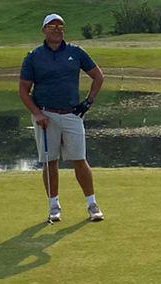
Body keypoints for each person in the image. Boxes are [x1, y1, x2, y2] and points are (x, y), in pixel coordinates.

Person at [18, 13, 105, 224]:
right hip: (45, 115)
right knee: (50, 162)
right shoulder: (34, 56)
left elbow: (98, 77)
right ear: (44, 30)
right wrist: (37, 113)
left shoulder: (76, 52)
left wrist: (88, 102)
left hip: (72, 114)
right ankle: (54, 207)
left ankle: (92, 205)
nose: (56, 29)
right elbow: (23, 90)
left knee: (79, 159)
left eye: (60, 26)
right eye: (52, 26)